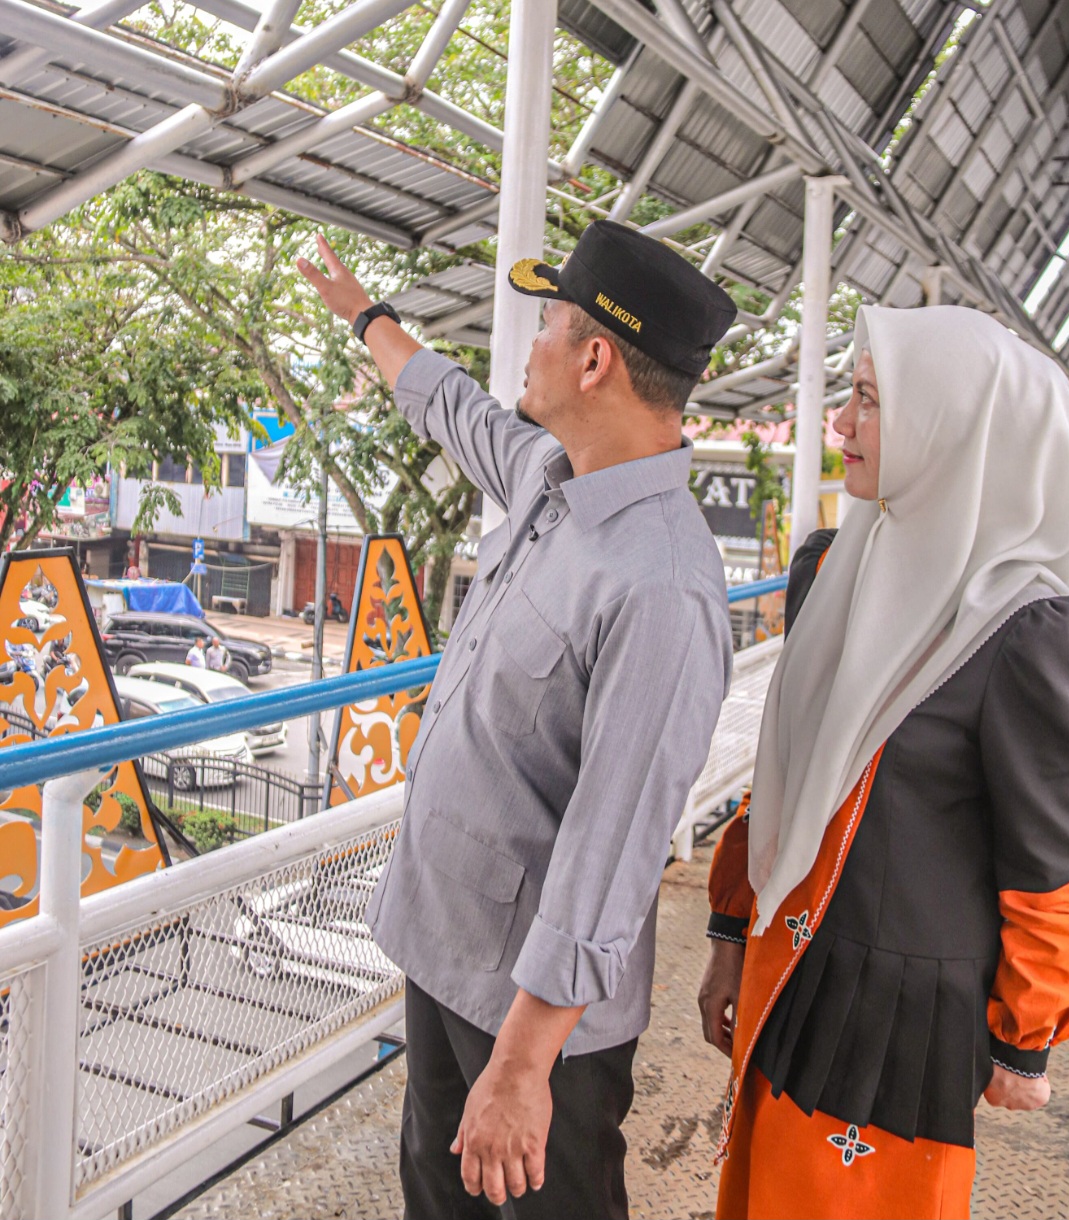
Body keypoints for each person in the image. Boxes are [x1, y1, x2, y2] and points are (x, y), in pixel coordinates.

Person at [298, 220, 737, 1218]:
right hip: (445, 948)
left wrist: (524, 1063)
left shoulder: (662, 587)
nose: (528, 347)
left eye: (545, 323)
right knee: (437, 1193)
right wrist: (365, 316)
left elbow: (613, 847)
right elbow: (449, 406)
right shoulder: (551, 474)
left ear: (594, 359)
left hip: (537, 1019)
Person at [699, 304, 1069, 1220]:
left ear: (954, 427)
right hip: (791, 970)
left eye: (869, 400)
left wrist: (1025, 1035)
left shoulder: (1022, 630)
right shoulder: (836, 567)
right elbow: (788, 767)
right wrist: (729, 930)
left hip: (896, 1025)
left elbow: (1051, 857)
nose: (840, 423)